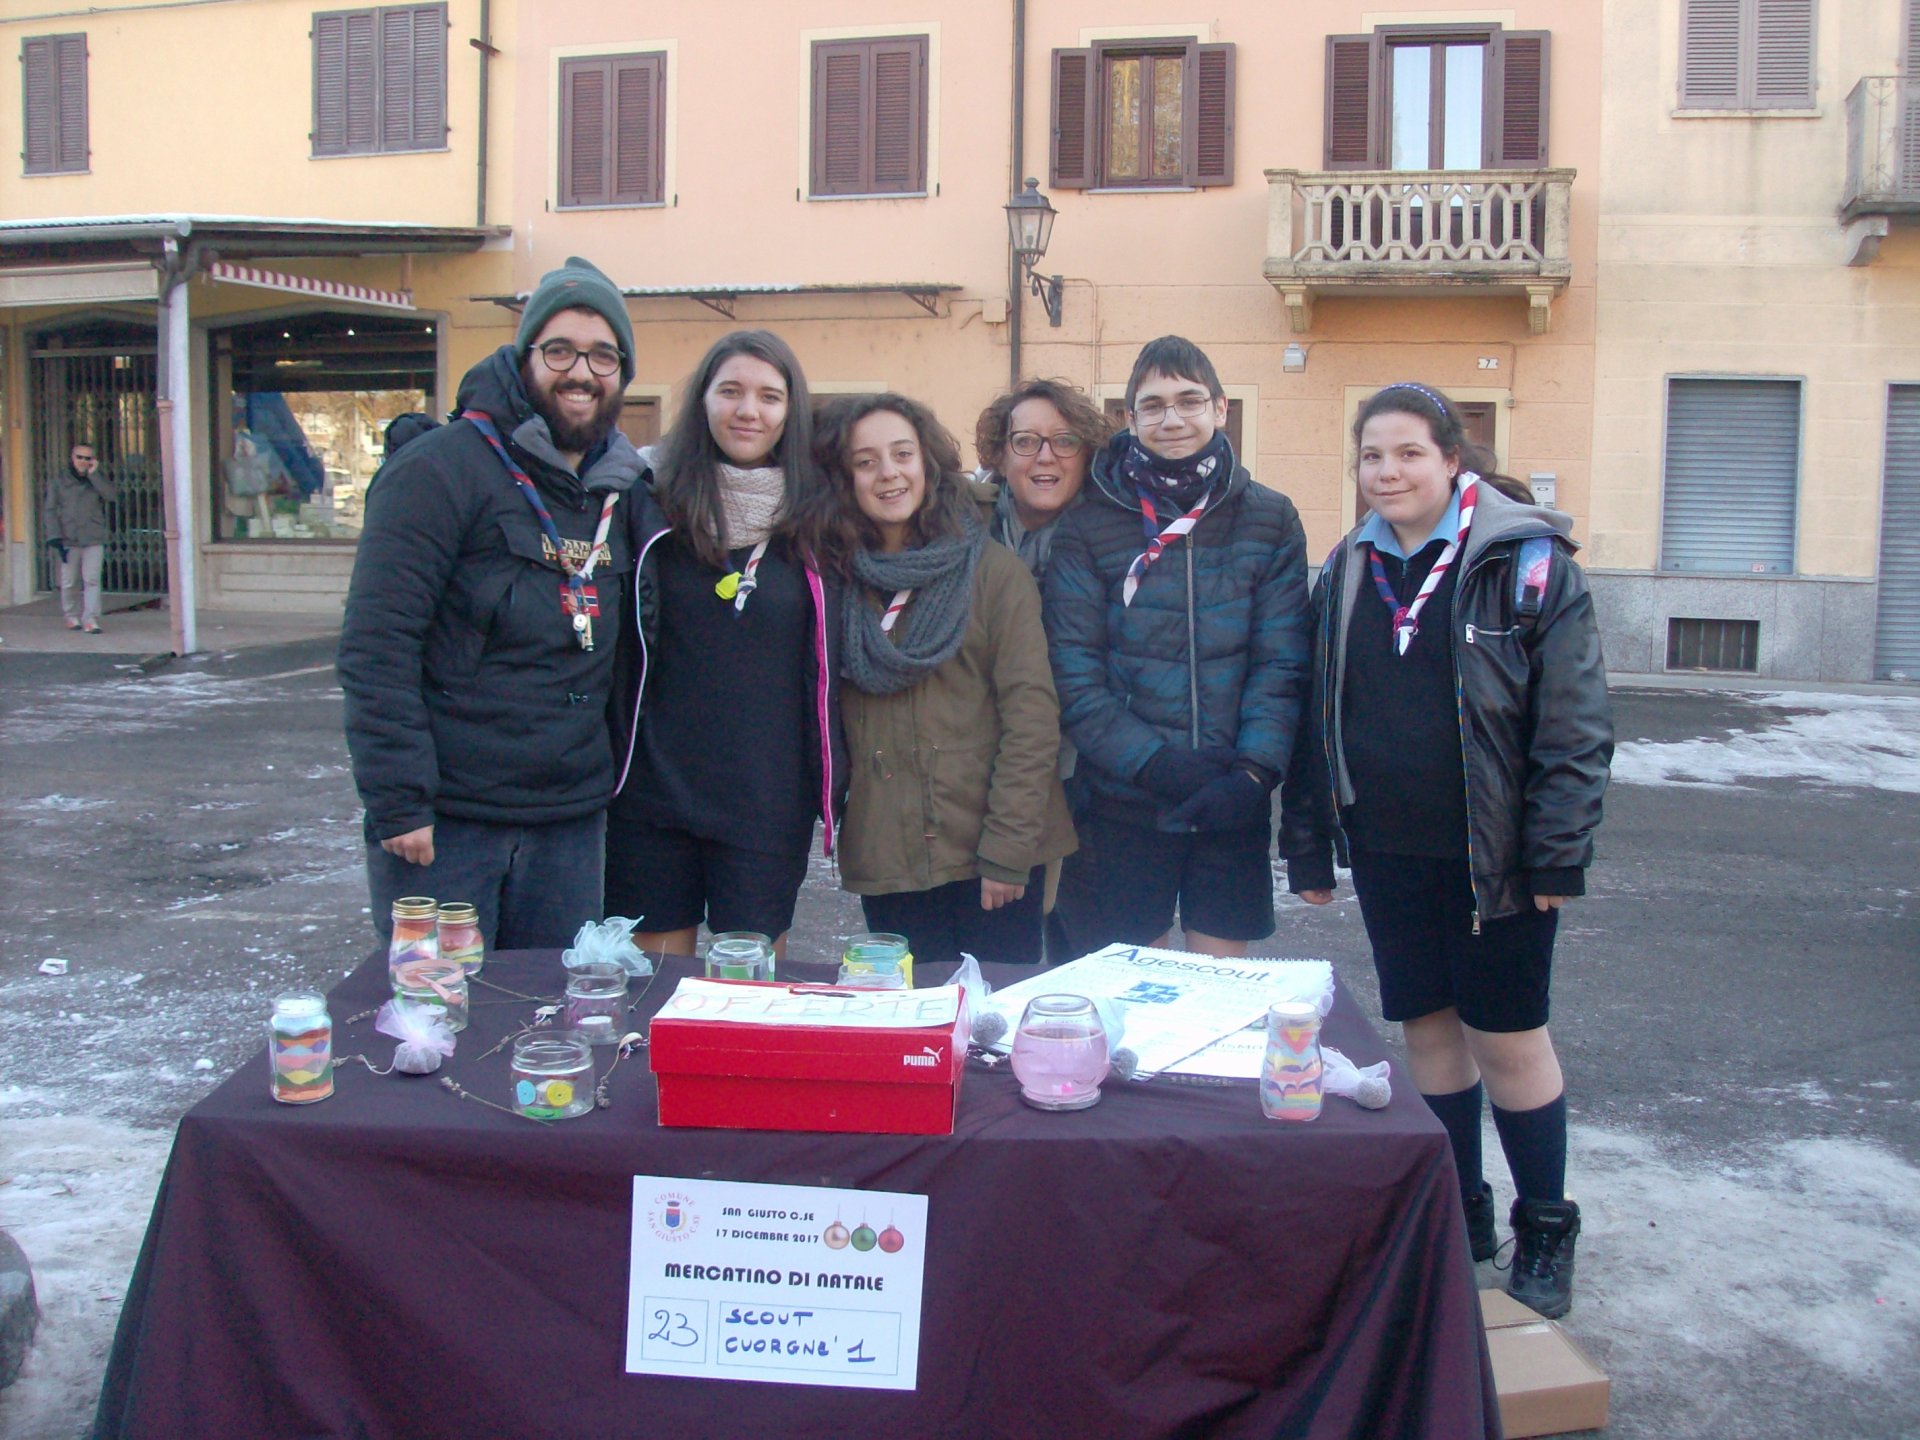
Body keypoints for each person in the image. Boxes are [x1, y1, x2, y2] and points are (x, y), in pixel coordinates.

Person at [1279, 381, 1613, 1320]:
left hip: (1495, 860)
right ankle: (1460, 1209)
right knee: (1428, 1032)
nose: (1388, 473)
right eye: (1372, 457)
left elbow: (1576, 724)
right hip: (1390, 848)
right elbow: (1318, 711)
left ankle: (1545, 1223)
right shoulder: (1347, 564)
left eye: (1408, 454)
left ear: (1451, 460)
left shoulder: (1526, 563)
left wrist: (1556, 854)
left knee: (1507, 1041)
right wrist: (1309, 840)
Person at [338, 255, 645, 950]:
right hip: (447, 825)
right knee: (444, 1023)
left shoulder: (620, 489)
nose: (581, 373)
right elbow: (377, 645)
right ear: (525, 355)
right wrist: (397, 801)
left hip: (569, 823)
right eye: (560, 350)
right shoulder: (439, 470)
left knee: (551, 1024)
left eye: (604, 356)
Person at [1044, 336, 1310, 959]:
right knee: (1134, 991)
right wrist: (1154, 763)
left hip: (1229, 794)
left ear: (1220, 409)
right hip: (1125, 799)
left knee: (1219, 990)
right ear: (1130, 419)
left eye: (1189, 401)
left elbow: (1281, 662)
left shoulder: (1269, 516)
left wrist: (1253, 772)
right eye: (1154, 405)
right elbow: (1074, 673)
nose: (1172, 419)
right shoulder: (1091, 520)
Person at [805, 392, 1075, 968]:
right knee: (910, 1031)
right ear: (843, 476)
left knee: (992, 1036)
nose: (888, 473)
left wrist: (1007, 852)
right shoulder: (833, 580)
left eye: (902, 453)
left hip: (991, 857)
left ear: (926, 461)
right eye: (866, 460)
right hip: (889, 859)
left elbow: (1031, 720)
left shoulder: (993, 572)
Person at [604, 331, 840, 962]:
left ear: (790, 412)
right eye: (730, 391)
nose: (748, 410)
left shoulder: (821, 518)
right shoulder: (647, 503)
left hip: (766, 800)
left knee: (748, 995)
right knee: (654, 990)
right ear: (702, 401)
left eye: (769, 396)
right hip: (653, 794)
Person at [974, 379, 1111, 961]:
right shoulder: (961, 528)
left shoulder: (1115, 537)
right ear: (1000, 456)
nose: (1045, 457)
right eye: (1025, 441)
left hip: (1090, 772)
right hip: (983, 768)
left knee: (1077, 944)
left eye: (1064, 440)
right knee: (994, 951)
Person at [44, 441, 118, 635]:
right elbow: (50, 510)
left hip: (93, 536)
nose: (83, 461)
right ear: (72, 458)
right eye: (80, 457)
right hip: (68, 538)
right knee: (69, 581)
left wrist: (94, 475)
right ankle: (70, 615)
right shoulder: (59, 481)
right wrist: (54, 536)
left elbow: (112, 496)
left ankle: (90, 619)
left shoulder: (96, 480)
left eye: (88, 458)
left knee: (92, 579)